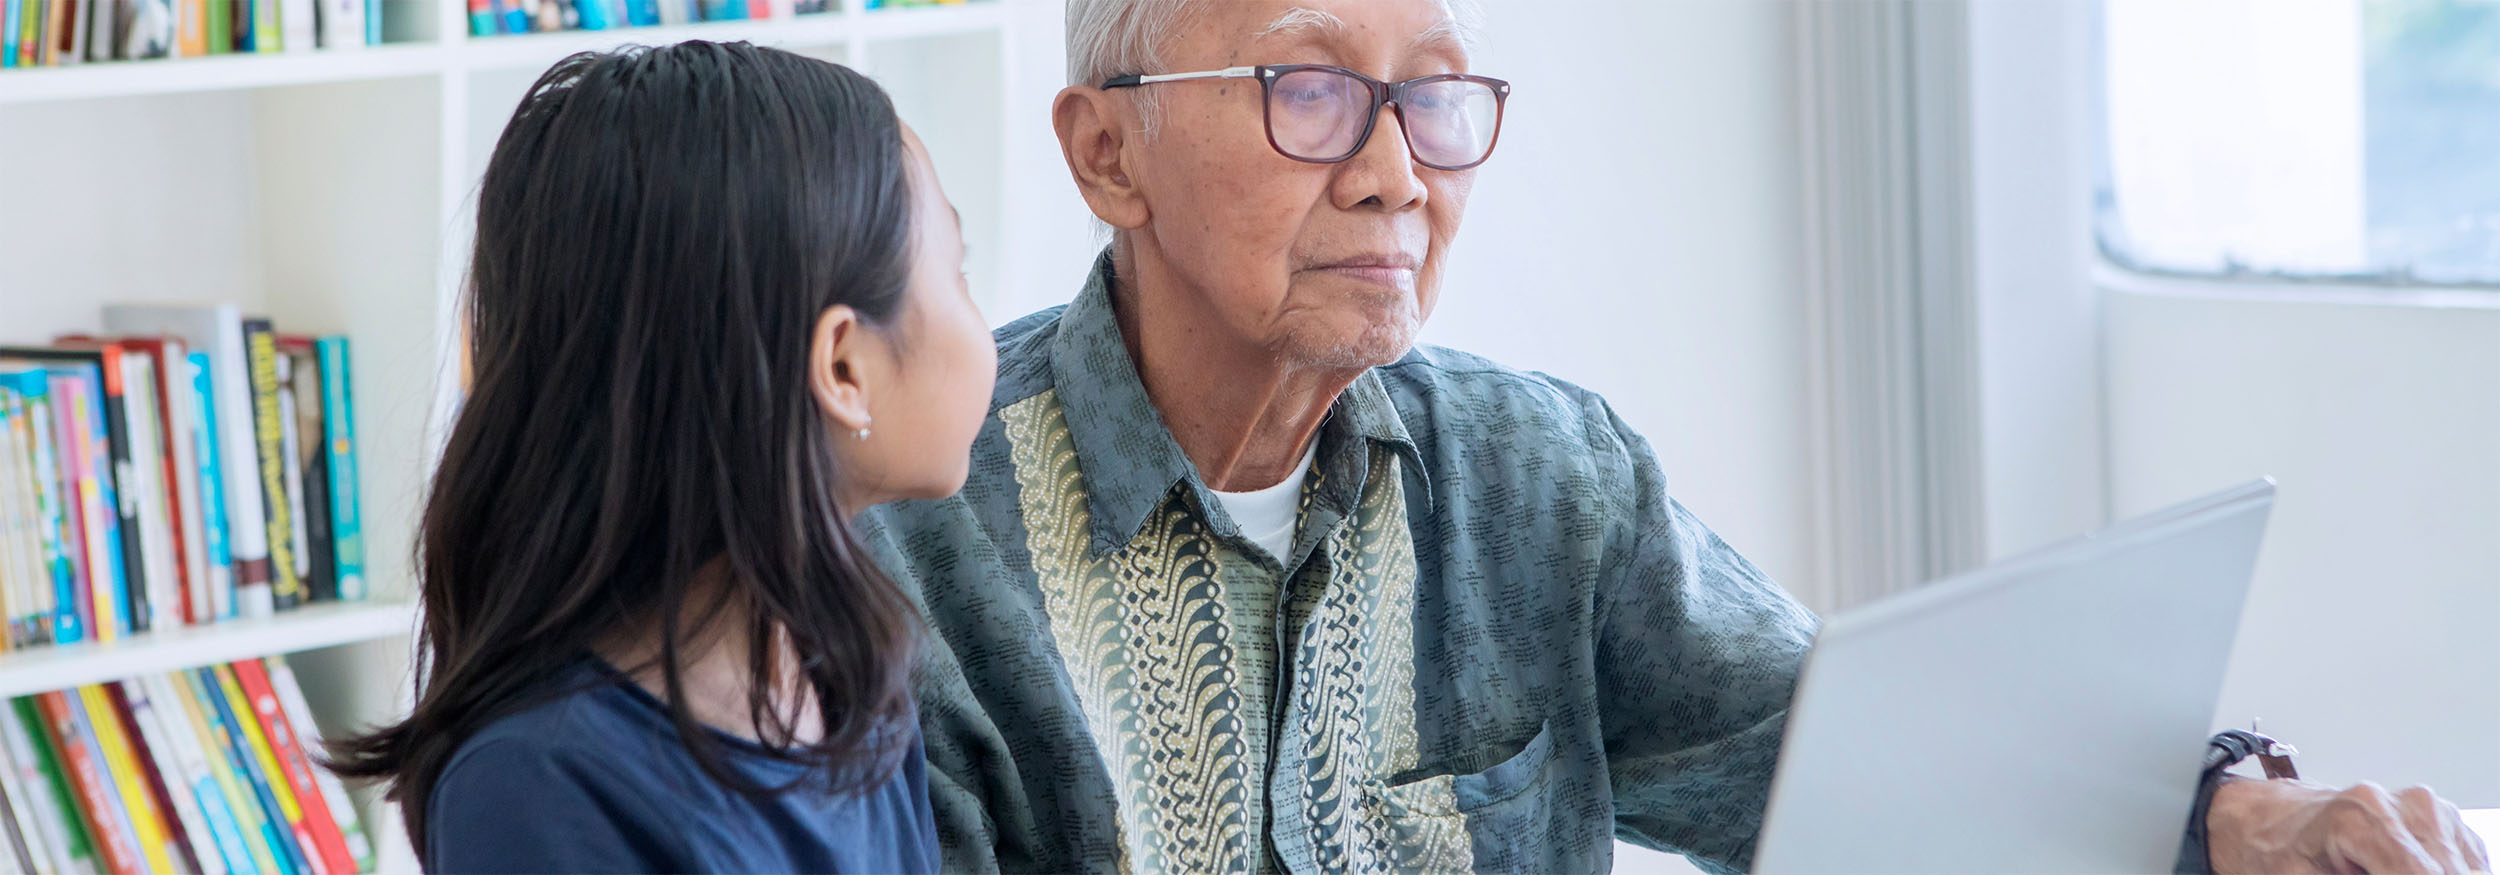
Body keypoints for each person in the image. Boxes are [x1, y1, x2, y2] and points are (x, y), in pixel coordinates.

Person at [857, 1, 2492, 873]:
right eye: (1306, 85)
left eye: (1436, 93)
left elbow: (1854, 754)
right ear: (1105, 156)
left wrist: (2241, 815)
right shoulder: (911, 530)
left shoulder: (1546, 480)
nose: (1397, 172)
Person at [329, 41, 997, 873]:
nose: (983, 310)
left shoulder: (852, 682)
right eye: (960, 269)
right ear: (842, 368)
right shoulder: (538, 790)